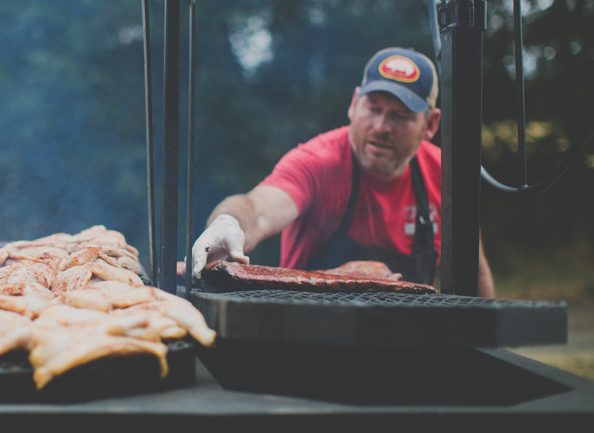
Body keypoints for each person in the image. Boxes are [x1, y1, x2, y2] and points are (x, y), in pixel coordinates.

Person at [190, 47, 495, 298]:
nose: (381, 127)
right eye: (373, 109)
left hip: (407, 344)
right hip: (305, 341)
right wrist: (229, 222)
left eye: (401, 116)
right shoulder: (318, 161)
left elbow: (474, 270)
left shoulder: (445, 176)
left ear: (430, 124)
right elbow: (259, 208)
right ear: (353, 104)